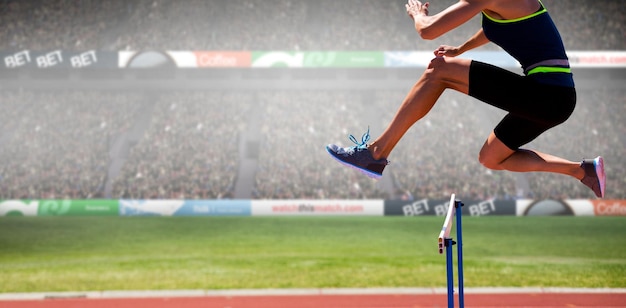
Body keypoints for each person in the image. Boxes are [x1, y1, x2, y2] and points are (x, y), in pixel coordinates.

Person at [326, 0, 606, 198]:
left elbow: (428, 30)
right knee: (491, 158)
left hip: (547, 94)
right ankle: (583, 171)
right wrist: (461, 48)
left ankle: (375, 154)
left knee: (439, 71)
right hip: (553, 99)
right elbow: (494, 28)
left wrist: (416, 14)